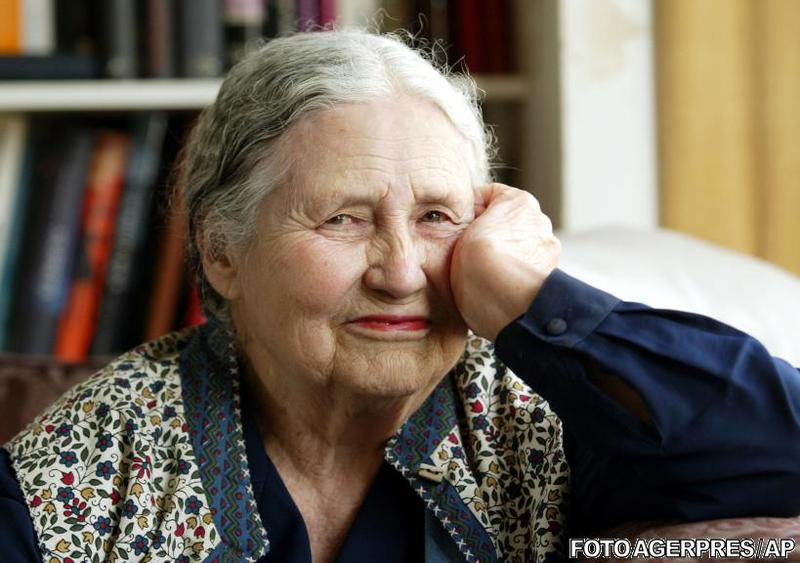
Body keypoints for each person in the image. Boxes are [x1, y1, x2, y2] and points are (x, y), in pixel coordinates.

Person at [1, 29, 799, 563]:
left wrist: (533, 298)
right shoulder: (81, 472)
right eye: (344, 218)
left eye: (436, 217)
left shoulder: (540, 416)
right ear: (221, 251)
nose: (401, 270)